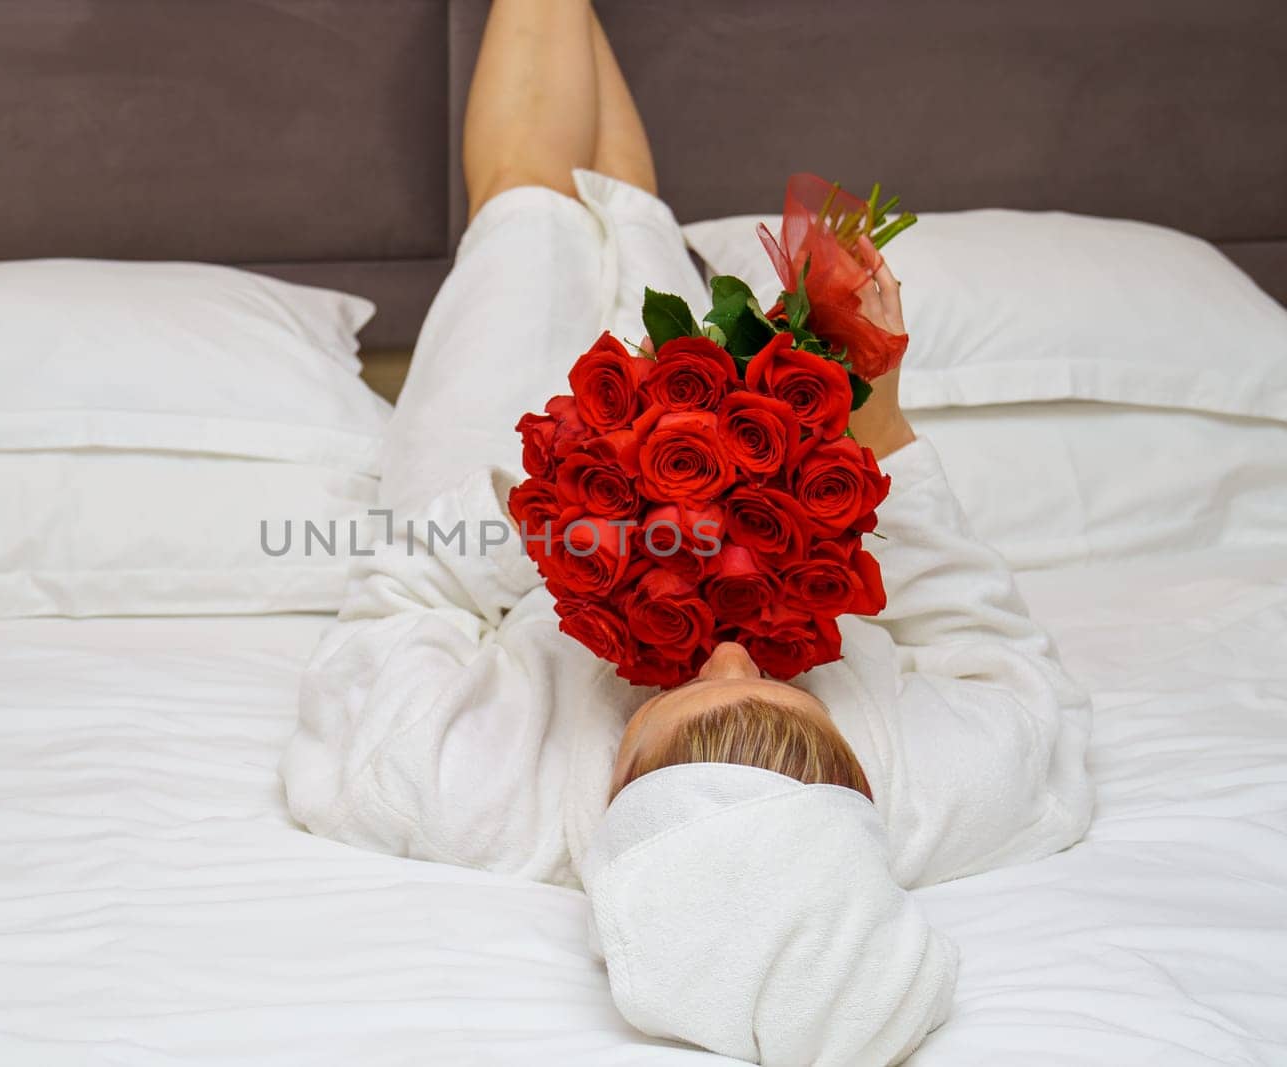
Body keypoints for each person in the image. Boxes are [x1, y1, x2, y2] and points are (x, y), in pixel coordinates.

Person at [281, 2, 1093, 1063]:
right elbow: (986, 635)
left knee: (530, 210)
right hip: (727, 483)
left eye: (682, 699)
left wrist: (558, 499)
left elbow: (399, 604)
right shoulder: (963, 792)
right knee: (637, 224)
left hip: (501, 510)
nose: (725, 643)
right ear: (857, 780)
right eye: (783, 688)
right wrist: (878, 424)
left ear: (612, 791)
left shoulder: (450, 790)